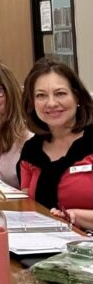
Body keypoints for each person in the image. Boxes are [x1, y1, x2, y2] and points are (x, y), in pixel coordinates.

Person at [18, 57, 93, 230]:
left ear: (77, 97)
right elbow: (27, 204)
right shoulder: (31, 150)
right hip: (42, 247)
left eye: (60, 93)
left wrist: (74, 216)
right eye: (41, 95)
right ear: (32, 104)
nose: (51, 103)